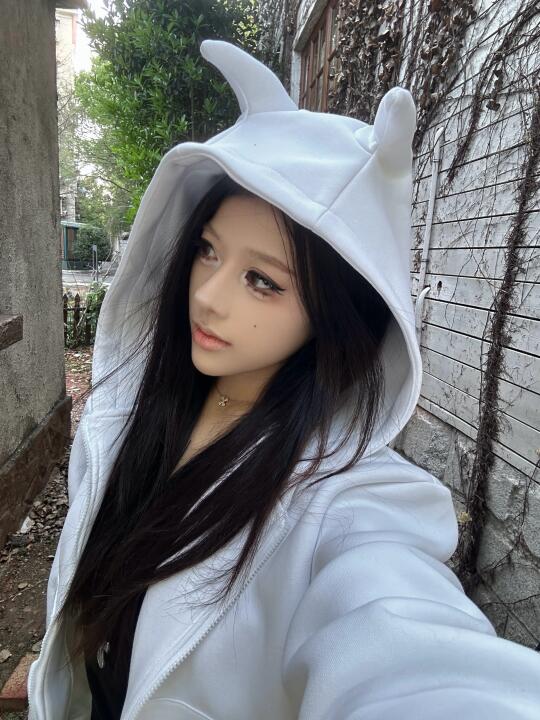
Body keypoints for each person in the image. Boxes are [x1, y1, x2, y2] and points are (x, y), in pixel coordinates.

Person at [28, 38, 540, 720]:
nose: (207, 295)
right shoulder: (137, 409)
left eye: (262, 281)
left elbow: (408, 651)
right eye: (207, 250)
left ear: (333, 314)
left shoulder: (344, 503)